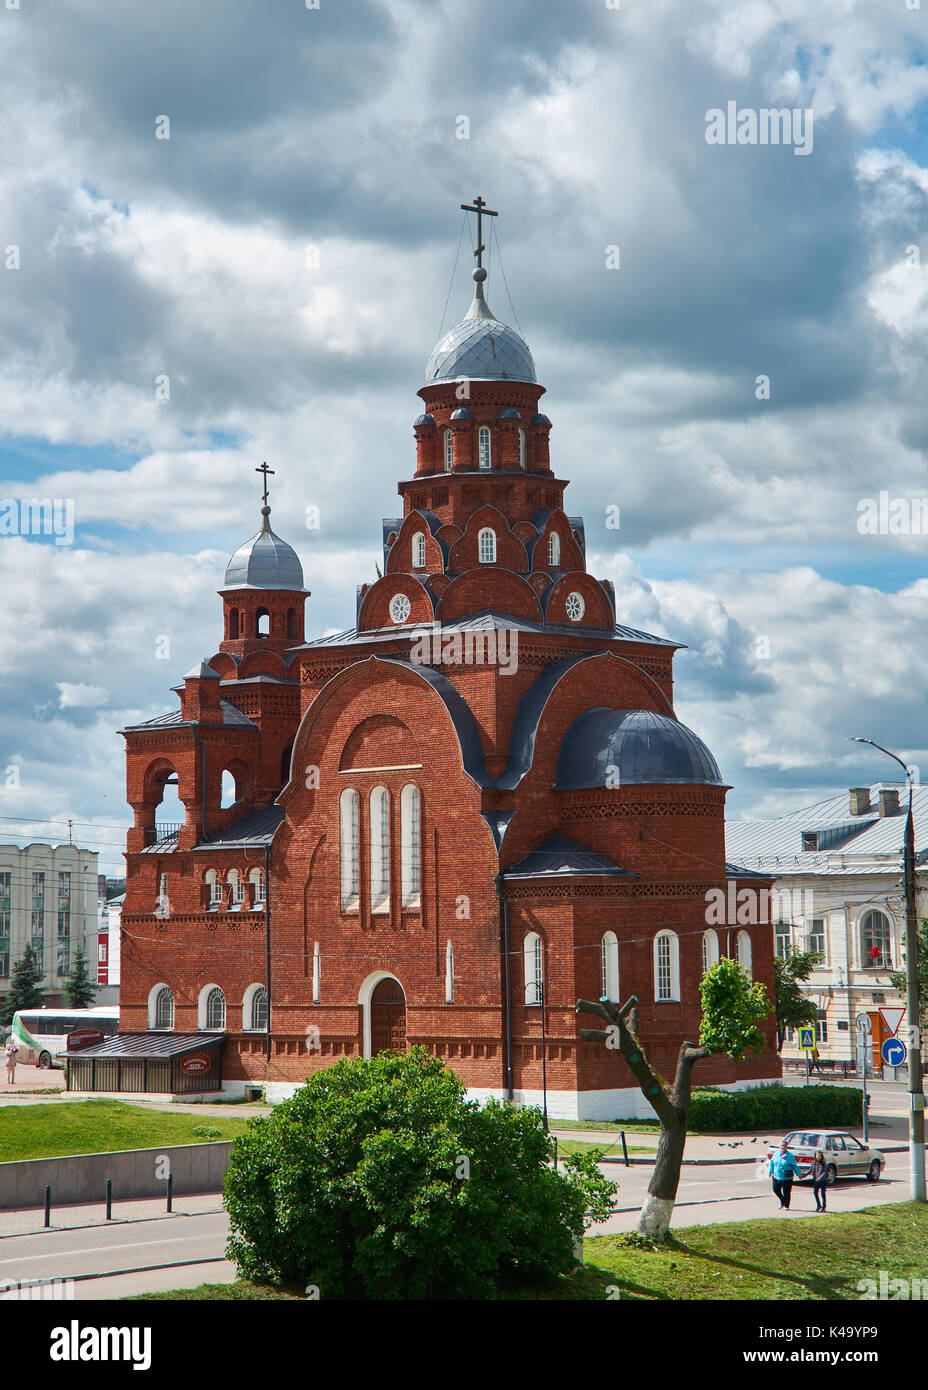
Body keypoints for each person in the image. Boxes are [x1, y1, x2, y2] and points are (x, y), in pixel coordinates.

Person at [768, 1140, 802, 1209]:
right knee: (776, 1190)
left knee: (786, 1192)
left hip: (787, 1177)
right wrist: (770, 1171)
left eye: (784, 1146)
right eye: (781, 1145)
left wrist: (799, 1174)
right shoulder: (776, 1154)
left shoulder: (790, 1156)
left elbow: (794, 1165)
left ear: (786, 1147)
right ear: (779, 1146)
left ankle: (786, 1205)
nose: (782, 1147)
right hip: (776, 1176)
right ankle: (782, 1200)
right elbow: (772, 1163)